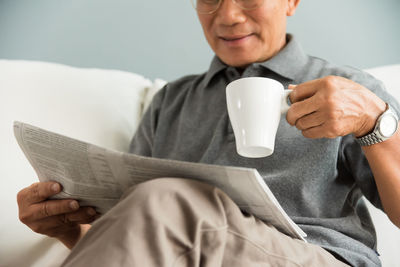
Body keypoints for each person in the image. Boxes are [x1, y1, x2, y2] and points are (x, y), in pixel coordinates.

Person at [16, 0, 400, 266]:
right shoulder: (171, 102)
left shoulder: (349, 92)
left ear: (290, 1)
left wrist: (375, 122)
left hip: (316, 256)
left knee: (166, 198)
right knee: (159, 202)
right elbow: (144, 240)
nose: (228, 16)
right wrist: (71, 231)